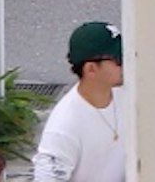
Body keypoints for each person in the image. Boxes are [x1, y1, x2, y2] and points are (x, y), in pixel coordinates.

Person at [35, 23, 127, 182]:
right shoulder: (63, 126)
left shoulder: (128, 95)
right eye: (119, 60)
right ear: (91, 69)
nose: (127, 64)